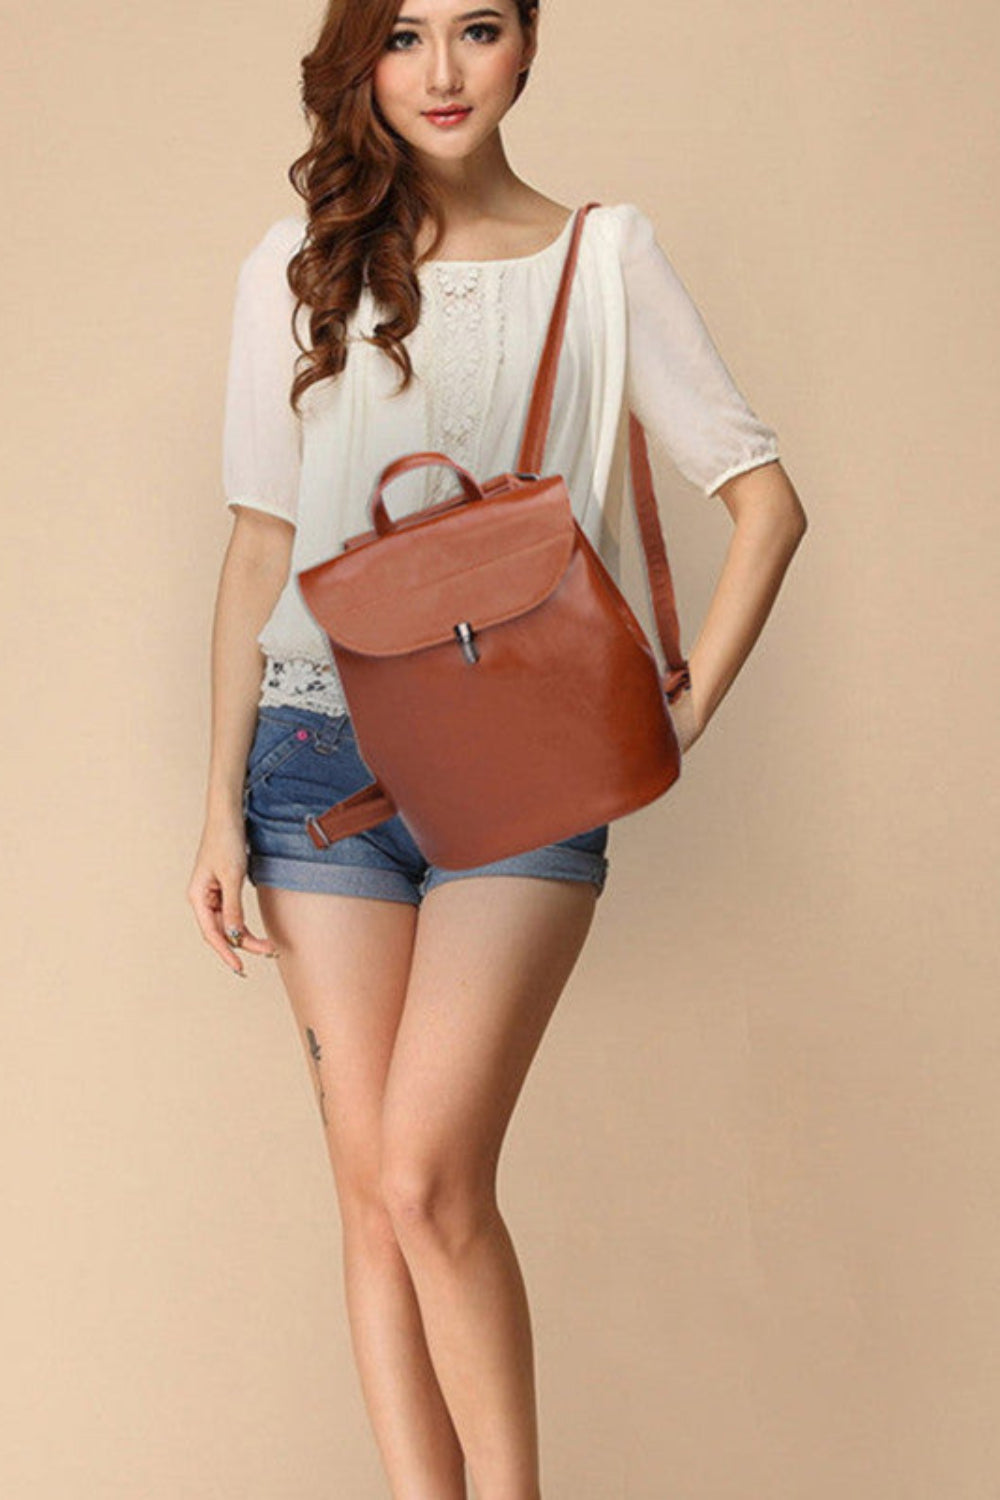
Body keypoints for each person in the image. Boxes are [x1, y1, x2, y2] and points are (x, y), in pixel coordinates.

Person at [188, 1, 807, 1495]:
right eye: (404, 37)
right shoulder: (299, 267)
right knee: (368, 1197)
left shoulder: (606, 257)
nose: (443, 72)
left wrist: (678, 712)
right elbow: (260, 546)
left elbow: (766, 503)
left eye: (477, 29)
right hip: (312, 764)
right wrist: (214, 806)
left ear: (531, 45)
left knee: (427, 1175)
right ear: (364, 61)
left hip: (526, 769)